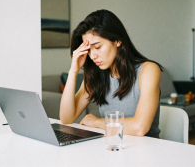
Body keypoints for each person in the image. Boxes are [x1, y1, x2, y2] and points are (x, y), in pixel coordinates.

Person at [60, 9, 163, 138]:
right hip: (110, 147)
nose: (92, 56)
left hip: (145, 151)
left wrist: (97, 122)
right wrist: (73, 70)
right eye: (88, 50)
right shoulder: (97, 75)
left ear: (118, 41)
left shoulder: (148, 70)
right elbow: (66, 118)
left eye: (97, 47)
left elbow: (139, 128)